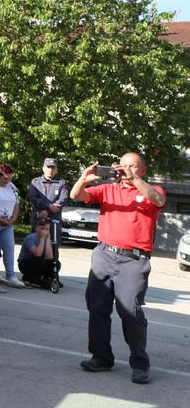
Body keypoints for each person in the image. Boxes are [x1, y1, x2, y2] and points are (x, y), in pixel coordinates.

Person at [71, 152, 165, 385]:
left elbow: (158, 200)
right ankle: (101, 358)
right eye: (122, 165)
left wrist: (134, 180)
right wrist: (83, 179)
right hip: (104, 254)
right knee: (97, 307)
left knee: (130, 312)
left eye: (131, 166)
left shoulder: (152, 190)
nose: (125, 169)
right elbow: (76, 195)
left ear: (143, 170)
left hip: (134, 260)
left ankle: (140, 364)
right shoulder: (108, 189)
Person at [28, 157, 67, 283]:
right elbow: (33, 197)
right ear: (43, 168)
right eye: (48, 167)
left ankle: (52, 276)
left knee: (53, 247)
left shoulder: (61, 183)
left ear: (56, 169)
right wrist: (47, 206)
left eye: (53, 167)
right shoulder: (35, 182)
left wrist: (48, 211)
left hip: (53, 220)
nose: (50, 170)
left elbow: (63, 200)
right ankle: (33, 275)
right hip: (39, 218)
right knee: (36, 245)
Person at [18, 218, 59, 288]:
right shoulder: (30, 238)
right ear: (36, 229)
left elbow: (50, 258)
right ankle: (28, 278)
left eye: (47, 229)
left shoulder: (49, 239)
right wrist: (42, 238)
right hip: (26, 264)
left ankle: (48, 279)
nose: (44, 231)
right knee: (39, 260)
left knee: (56, 263)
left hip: (41, 263)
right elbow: (37, 254)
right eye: (42, 228)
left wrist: (47, 240)